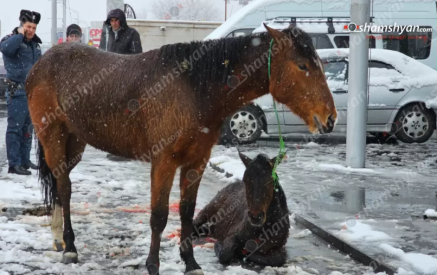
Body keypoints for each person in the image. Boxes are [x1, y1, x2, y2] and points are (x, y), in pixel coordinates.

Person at [0, 10, 42, 175]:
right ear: (21, 26)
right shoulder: (11, 39)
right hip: (16, 92)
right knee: (15, 129)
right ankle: (14, 163)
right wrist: (18, 34)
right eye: (28, 26)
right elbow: (6, 49)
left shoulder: (35, 45)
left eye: (33, 27)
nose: (31, 30)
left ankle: (24, 160)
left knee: (28, 128)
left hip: (31, 93)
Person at [99, 8, 143, 161]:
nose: (114, 23)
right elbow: (100, 55)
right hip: (111, 82)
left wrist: (120, 62)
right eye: (111, 20)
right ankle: (117, 148)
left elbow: (138, 57)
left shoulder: (132, 34)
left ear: (122, 21)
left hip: (127, 81)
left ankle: (128, 150)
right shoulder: (107, 34)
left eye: (116, 20)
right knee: (114, 117)